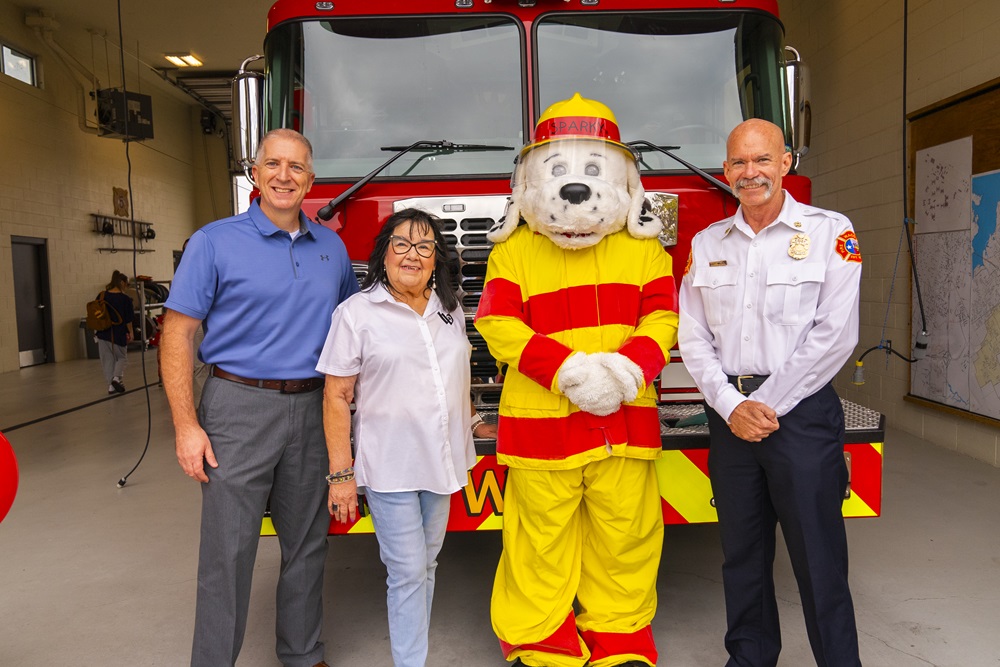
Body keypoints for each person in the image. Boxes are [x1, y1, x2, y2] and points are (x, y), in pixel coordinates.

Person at [476, 94, 678, 667]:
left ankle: (619, 633)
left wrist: (624, 370)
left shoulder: (645, 251)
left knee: (626, 533)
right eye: (559, 171)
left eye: (592, 170)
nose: (575, 186)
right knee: (538, 538)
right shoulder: (513, 250)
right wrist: (565, 372)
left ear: (621, 182)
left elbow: (663, 317)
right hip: (542, 425)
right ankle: (538, 634)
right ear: (534, 183)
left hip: (624, 420)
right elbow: (496, 323)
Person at [160, 128, 359, 667]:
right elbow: (177, 334)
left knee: (307, 544)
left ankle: (302, 653)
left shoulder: (332, 247)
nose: (284, 176)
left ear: (311, 181)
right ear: (255, 173)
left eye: (296, 168)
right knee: (229, 552)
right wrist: (185, 425)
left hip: (313, 408)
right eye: (273, 164)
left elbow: (351, 334)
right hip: (236, 408)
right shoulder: (214, 241)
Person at [677, 119, 863, 667]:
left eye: (762, 160)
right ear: (726, 171)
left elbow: (835, 336)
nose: (750, 172)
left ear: (786, 163)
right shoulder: (708, 243)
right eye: (739, 162)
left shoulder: (831, 232)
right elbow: (693, 335)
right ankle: (750, 658)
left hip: (800, 417)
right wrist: (732, 406)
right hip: (731, 418)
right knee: (743, 556)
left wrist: (767, 405)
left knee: (820, 559)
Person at [318, 208, 496, 667]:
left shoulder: (449, 309)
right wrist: (341, 475)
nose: (412, 255)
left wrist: (475, 423)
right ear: (384, 254)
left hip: (443, 461)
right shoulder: (357, 313)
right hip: (391, 464)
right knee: (407, 571)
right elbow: (337, 396)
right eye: (401, 244)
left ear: (436, 258)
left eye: (424, 246)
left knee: (426, 565)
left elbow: (452, 380)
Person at [95, 269, 134, 394]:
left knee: (107, 360)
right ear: (122, 283)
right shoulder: (125, 299)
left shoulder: (101, 295)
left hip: (102, 332)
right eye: (127, 285)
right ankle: (117, 378)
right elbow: (128, 319)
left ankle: (110, 386)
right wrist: (131, 332)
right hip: (118, 333)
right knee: (121, 357)